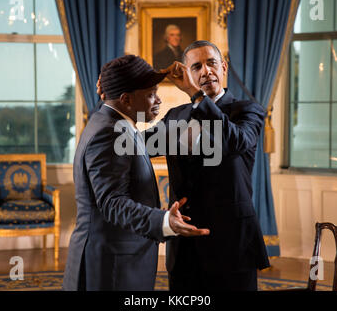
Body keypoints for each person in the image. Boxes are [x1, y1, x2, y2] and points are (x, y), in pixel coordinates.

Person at [62, 55, 209, 291]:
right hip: (111, 267)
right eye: (151, 93)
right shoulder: (110, 133)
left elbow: (170, 137)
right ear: (126, 99)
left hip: (116, 260)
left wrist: (194, 92)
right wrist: (163, 221)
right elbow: (112, 203)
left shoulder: (113, 122)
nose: (158, 99)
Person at [154, 40, 270, 290]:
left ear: (224, 67)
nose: (206, 71)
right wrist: (112, 99)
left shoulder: (248, 110)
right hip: (184, 245)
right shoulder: (175, 115)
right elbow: (140, 145)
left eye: (211, 63)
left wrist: (196, 96)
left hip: (232, 244)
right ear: (188, 74)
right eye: (196, 67)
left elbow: (235, 141)